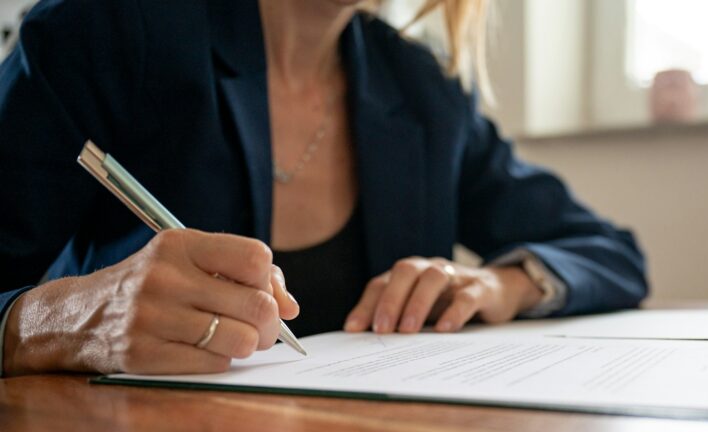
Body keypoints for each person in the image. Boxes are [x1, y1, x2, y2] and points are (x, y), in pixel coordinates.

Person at [0, 0, 648, 377]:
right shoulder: (101, 31)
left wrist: (497, 284)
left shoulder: (426, 91)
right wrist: (64, 322)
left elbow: (610, 251)